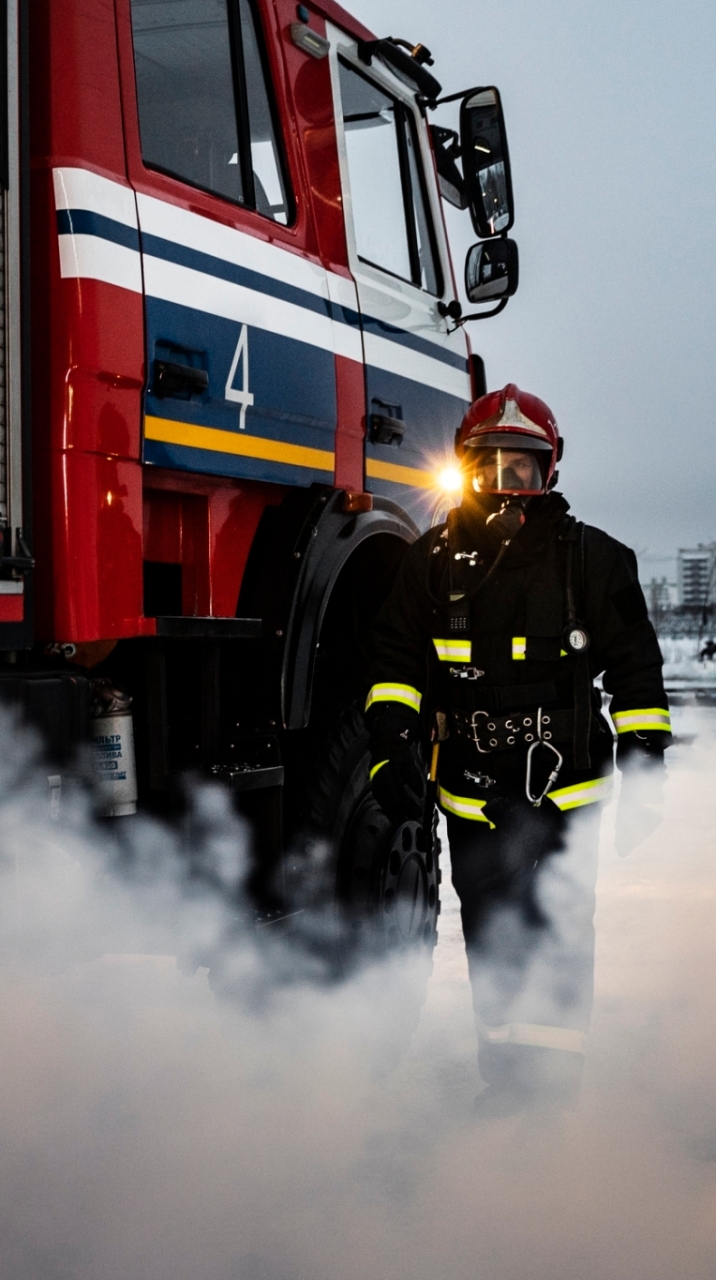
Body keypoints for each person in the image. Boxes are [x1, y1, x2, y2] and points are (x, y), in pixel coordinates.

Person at [365, 384, 672, 1114]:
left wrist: (647, 766)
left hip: (565, 790)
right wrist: (388, 750)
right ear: (464, 468)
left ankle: (552, 1092)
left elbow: (636, 668)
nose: (507, 484)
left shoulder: (594, 560)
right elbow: (394, 663)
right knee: (491, 931)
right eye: (490, 467)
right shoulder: (430, 562)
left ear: (550, 472)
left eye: (523, 469)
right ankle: (506, 1079)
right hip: (470, 788)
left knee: (560, 928)